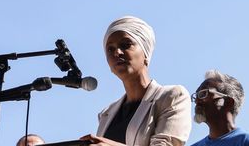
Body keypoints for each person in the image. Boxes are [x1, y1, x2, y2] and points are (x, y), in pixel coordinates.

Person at [81, 16, 192, 146]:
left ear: (145, 52)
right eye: (110, 49)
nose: (117, 52)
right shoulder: (107, 113)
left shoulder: (172, 97)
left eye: (126, 45)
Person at [189, 70, 249, 146]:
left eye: (204, 93)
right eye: (196, 95)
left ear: (228, 102)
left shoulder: (246, 141)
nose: (197, 100)